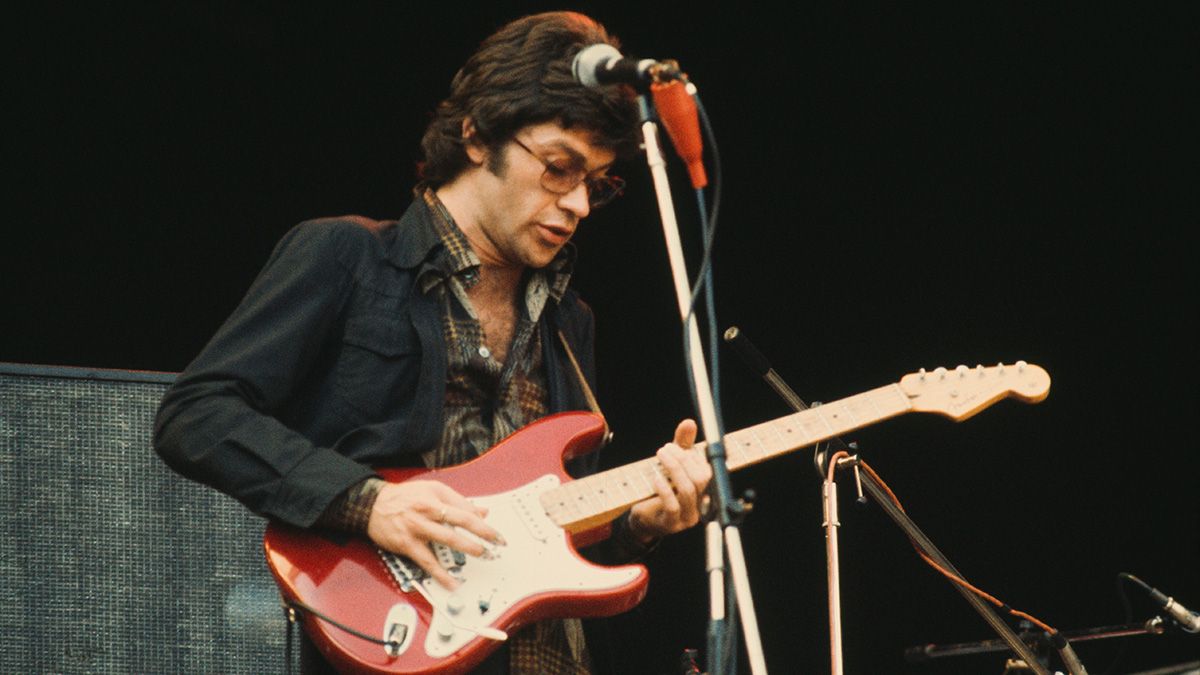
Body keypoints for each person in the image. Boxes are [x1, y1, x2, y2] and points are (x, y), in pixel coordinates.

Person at [152, 10, 712, 675]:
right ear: (478, 136)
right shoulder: (348, 257)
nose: (579, 205)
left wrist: (640, 521)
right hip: (397, 644)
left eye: (597, 184)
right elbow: (196, 413)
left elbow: (555, 524)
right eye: (559, 169)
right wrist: (369, 501)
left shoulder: (572, 320)